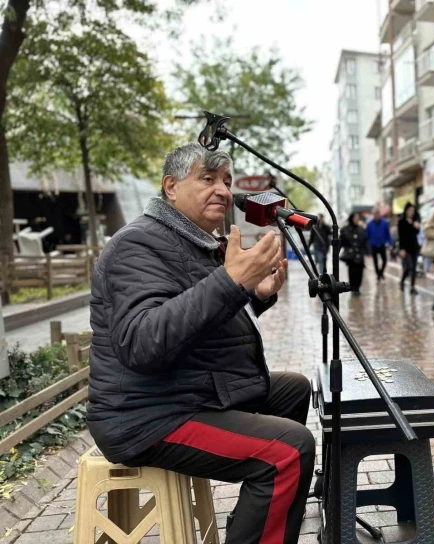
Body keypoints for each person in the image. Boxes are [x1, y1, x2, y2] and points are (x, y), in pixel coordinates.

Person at [86, 143, 315, 544]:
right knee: (288, 450)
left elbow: (200, 320)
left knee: (293, 389)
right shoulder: (137, 245)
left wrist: (253, 294)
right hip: (145, 414)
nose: (223, 191)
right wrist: (230, 282)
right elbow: (144, 342)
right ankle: (268, 501)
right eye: (207, 179)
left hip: (186, 390)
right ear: (170, 187)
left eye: (226, 181)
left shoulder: (193, 241)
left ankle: (261, 515)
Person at [341, 212, 368, 296]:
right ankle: (353, 288)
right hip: (351, 256)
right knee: (352, 272)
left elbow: (365, 241)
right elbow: (341, 241)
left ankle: (357, 287)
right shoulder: (345, 229)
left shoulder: (361, 229)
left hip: (360, 255)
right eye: (355, 218)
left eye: (358, 218)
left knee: (360, 272)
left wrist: (368, 251)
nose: (357, 220)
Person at [397, 202, 421, 294]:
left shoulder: (415, 222)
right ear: (406, 211)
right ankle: (402, 281)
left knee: (414, 268)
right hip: (405, 248)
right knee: (409, 267)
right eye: (410, 210)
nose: (411, 212)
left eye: (413, 211)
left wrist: (417, 227)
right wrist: (401, 249)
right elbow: (401, 236)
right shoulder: (401, 222)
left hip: (414, 247)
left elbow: (416, 233)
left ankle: (413, 287)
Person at [366, 208, 392, 281]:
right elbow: (367, 236)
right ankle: (378, 274)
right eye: (375, 214)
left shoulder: (384, 223)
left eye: (377, 214)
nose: (376, 215)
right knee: (375, 261)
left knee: (384, 260)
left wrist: (390, 243)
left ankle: (381, 272)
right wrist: (367, 248)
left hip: (382, 244)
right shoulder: (369, 224)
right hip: (373, 245)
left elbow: (388, 234)